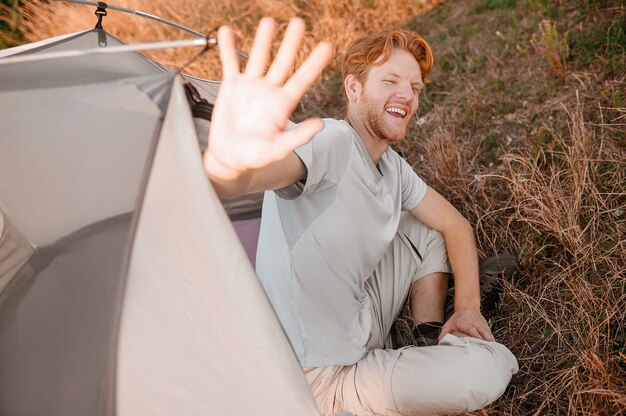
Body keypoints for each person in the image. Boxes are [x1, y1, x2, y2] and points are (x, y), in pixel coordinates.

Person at [205, 17, 518, 416]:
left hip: (361, 317)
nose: (407, 94)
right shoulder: (332, 141)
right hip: (320, 379)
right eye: (390, 81)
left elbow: (455, 224)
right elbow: (254, 175)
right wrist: (228, 168)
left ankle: (426, 334)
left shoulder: (392, 167)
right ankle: (444, 358)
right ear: (354, 88)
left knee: (424, 228)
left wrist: (469, 306)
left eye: (415, 87)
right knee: (489, 369)